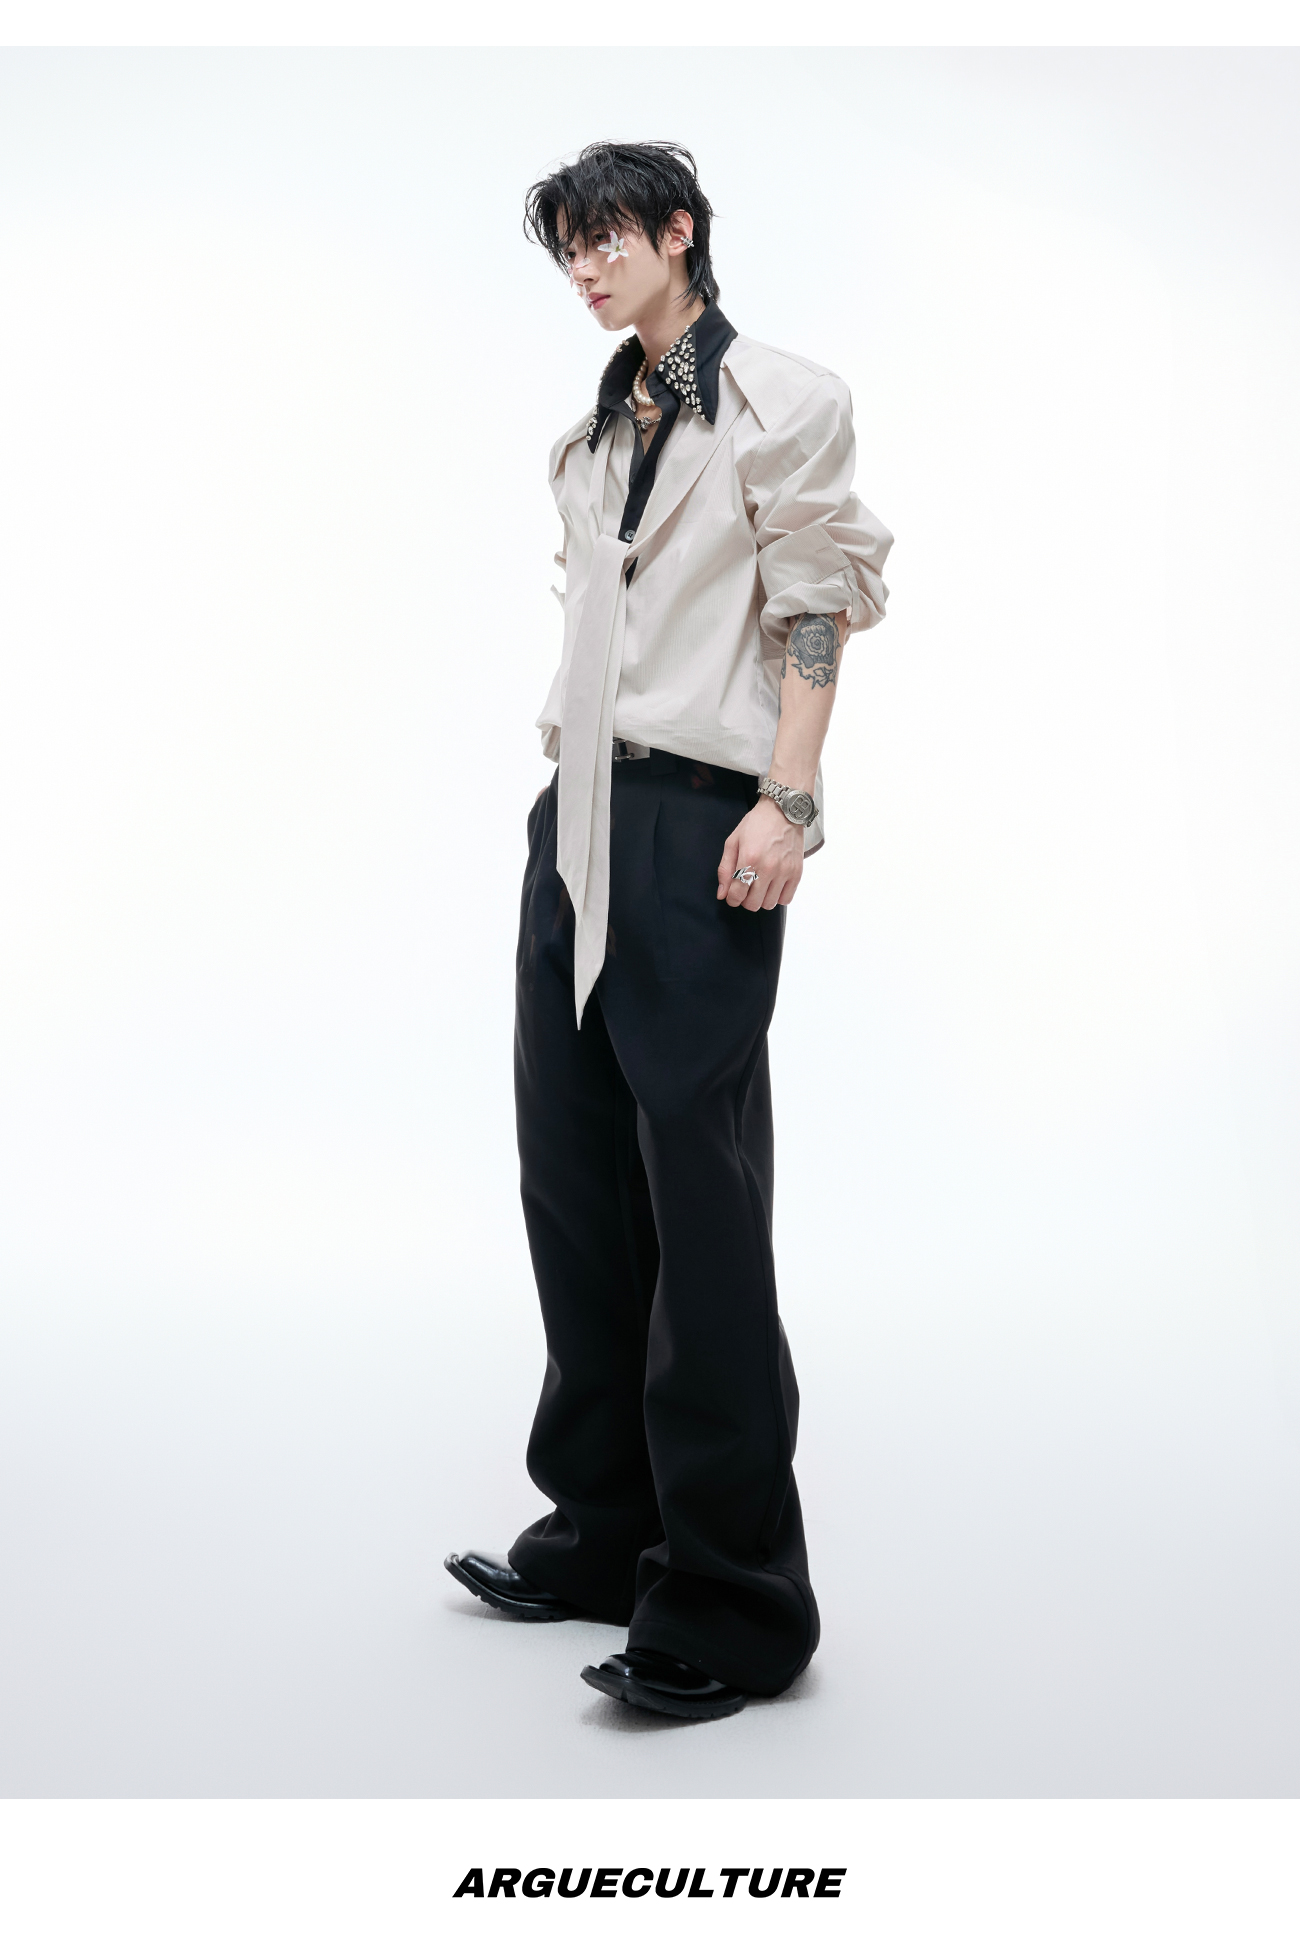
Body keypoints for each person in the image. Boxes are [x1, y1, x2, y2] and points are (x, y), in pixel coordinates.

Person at [446, 140, 892, 1721]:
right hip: (573, 816)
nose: (587, 269)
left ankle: (734, 1602)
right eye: (569, 249)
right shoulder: (587, 437)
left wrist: (791, 801)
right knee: (573, 1180)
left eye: (609, 239)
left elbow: (813, 604)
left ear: (679, 232)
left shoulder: (781, 401)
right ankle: (603, 1531)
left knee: (699, 1204)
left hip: (701, 820)